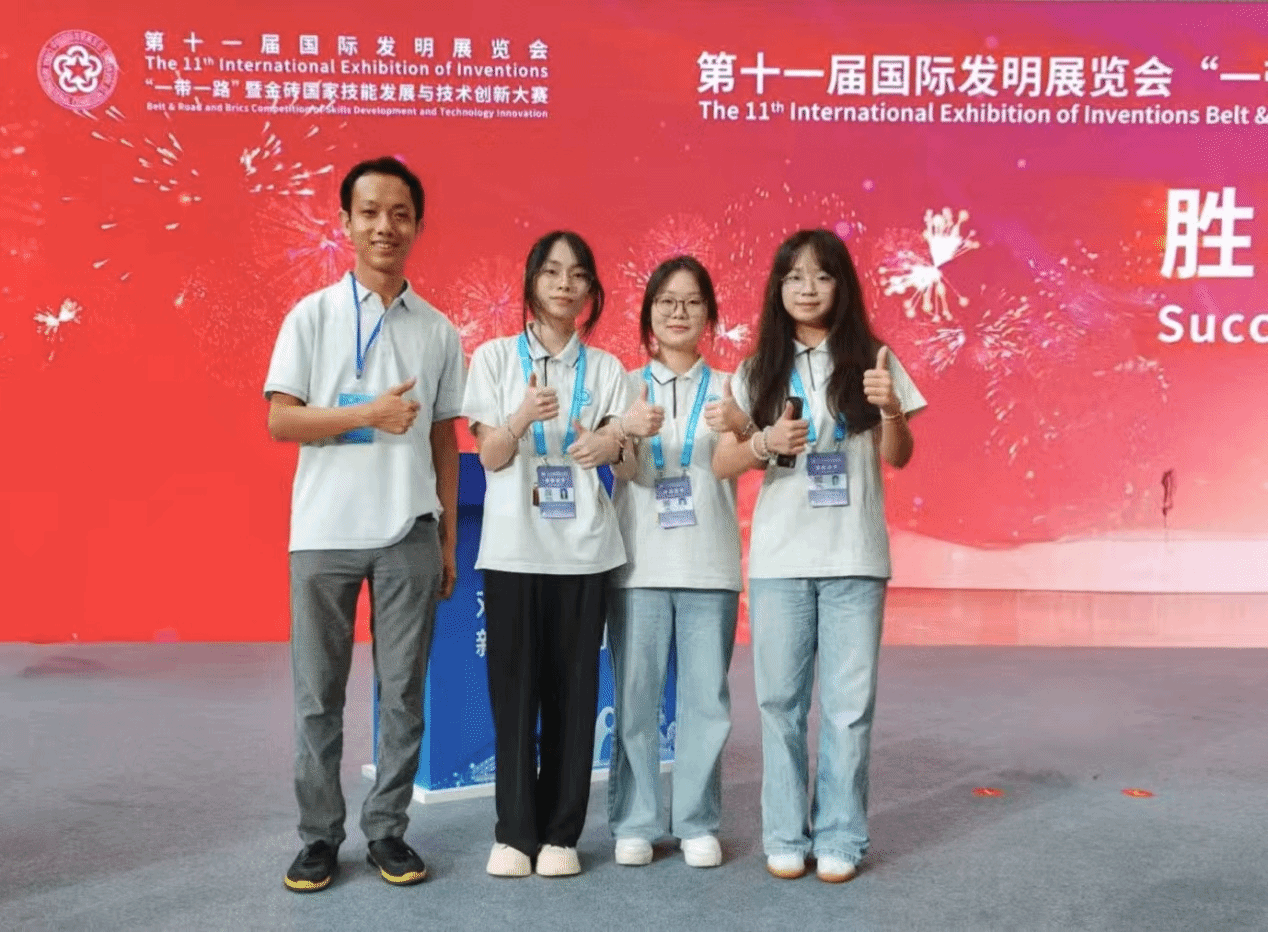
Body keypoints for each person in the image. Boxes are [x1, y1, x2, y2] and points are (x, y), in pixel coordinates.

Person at [264, 156, 464, 893]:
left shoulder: (439, 330)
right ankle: (319, 837)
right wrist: (371, 414)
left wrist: (444, 536)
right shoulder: (311, 316)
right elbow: (281, 421)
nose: (386, 226)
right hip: (322, 533)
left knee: (403, 693)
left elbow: (444, 438)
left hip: (408, 531)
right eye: (371, 212)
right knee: (318, 696)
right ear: (345, 222)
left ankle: (387, 830)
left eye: (400, 213)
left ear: (418, 225)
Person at [712, 228, 925, 883]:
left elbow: (899, 456)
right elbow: (722, 462)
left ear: (842, 285)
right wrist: (765, 443)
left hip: (854, 557)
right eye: (795, 276)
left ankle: (840, 836)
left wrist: (891, 412)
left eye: (822, 275)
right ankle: (784, 833)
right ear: (778, 288)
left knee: (848, 708)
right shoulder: (757, 369)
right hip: (780, 560)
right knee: (779, 704)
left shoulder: (874, 359)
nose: (808, 288)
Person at [461, 231, 631, 878]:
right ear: (531, 281)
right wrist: (520, 418)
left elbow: (623, 450)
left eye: (578, 274)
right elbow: (490, 455)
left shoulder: (607, 369)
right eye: (552, 272)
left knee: (574, 696)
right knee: (514, 696)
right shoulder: (494, 358)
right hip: (513, 552)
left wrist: (608, 445)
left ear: (591, 291)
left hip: (584, 552)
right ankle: (514, 831)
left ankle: (561, 833)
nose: (565, 284)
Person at [606, 256, 742, 869]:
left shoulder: (732, 387)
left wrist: (740, 425)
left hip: (710, 564)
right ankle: (635, 820)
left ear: (709, 316)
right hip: (638, 566)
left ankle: (696, 821)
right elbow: (623, 471)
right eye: (666, 301)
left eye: (691, 302)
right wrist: (627, 432)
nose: (678, 312)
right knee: (635, 698)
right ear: (648, 316)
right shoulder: (622, 385)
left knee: (706, 701)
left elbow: (737, 460)